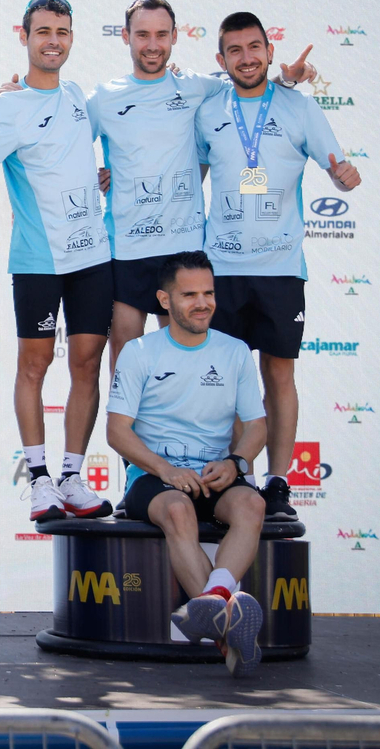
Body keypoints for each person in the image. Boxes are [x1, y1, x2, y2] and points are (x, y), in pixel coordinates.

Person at [0, 0, 112, 521]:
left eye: (62, 31)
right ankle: (39, 480)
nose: (53, 40)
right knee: (35, 367)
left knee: (87, 365)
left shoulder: (80, 96)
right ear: (24, 36)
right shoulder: (10, 105)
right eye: (43, 31)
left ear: (71, 37)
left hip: (93, 258)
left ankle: (72, 475)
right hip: (39, 261)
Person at [85, 0, 312, 374]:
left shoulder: (198, 87)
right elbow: (64, 140)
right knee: (125, 349)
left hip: (186, 246)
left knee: (183, 358)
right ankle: (126, 432)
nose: (153, 44)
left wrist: (287, 78)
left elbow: (251, 86)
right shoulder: (105, 98)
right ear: (126, 37)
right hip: (127, 244)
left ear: (175, 36)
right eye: (142, 35)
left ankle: (175, 433)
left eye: (161, 34)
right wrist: (89, 177)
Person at [195, 12, 359, 521]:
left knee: (279, 374)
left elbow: (337, 168)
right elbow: (189, 176)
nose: (247, 57)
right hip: (220, 267)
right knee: (222, 380)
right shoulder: (207, 110)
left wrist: (345, 176)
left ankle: (278, 482)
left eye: (254, 47)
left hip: (281, 268)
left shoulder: (299, 107)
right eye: (235, 50)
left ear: (269, 50)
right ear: (221, 61)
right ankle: (222, 479)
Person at [106, 251, 268, 676]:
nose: (203, 303)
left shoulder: (234, 352)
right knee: (178, 510)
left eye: (209, 293)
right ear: (164, 300)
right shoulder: (139, 351)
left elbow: (256, 427)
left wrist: (237, 462)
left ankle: (214, 603)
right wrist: (165, 470)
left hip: (216, 473)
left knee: (252, 506)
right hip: (155, 478)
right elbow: (117, 432)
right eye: (190, 294)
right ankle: (229, 624)